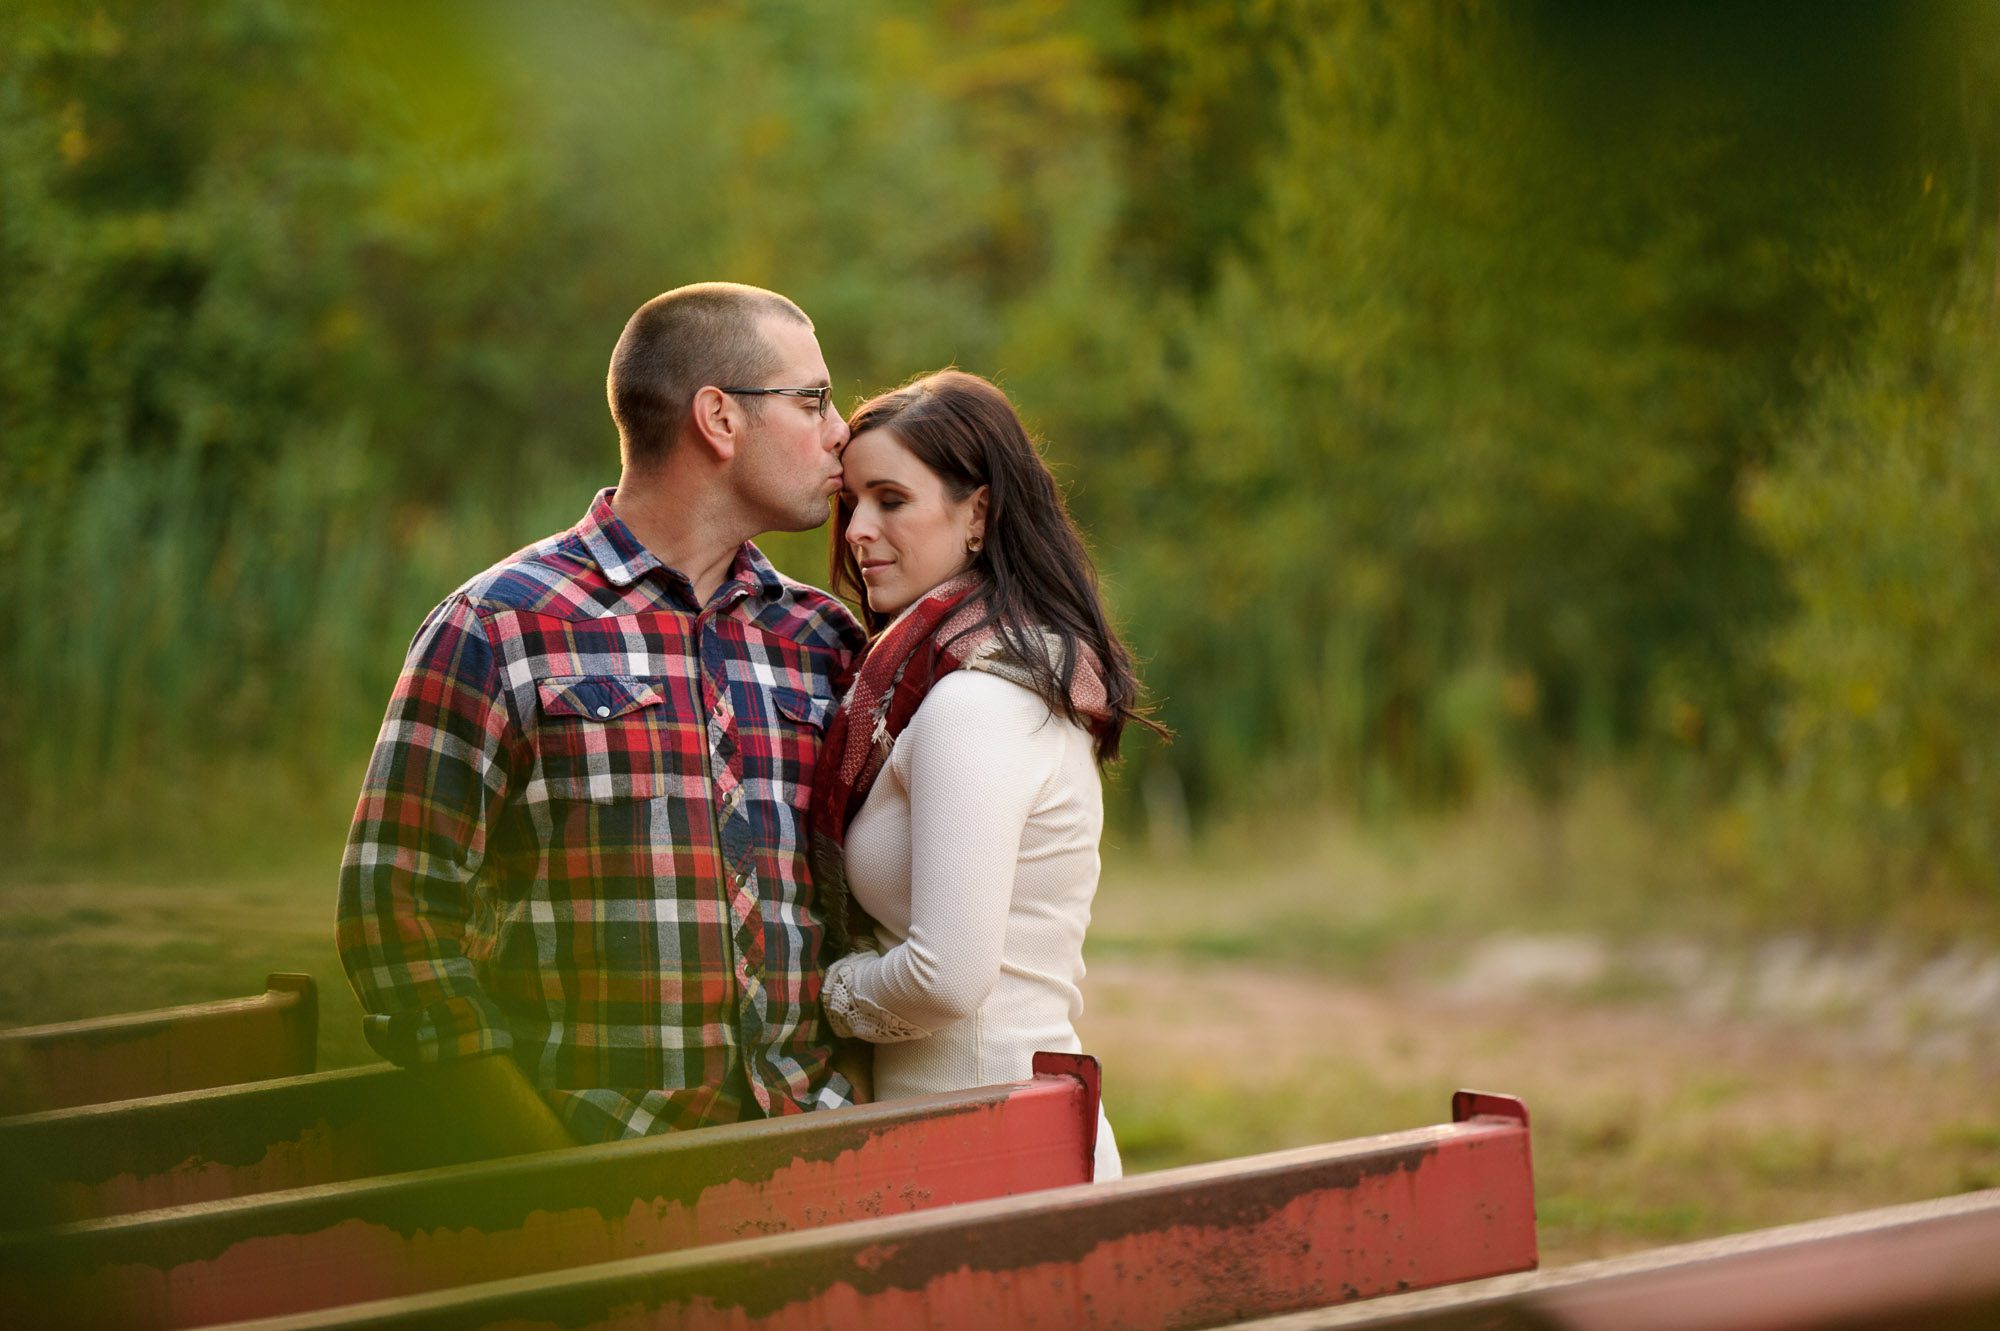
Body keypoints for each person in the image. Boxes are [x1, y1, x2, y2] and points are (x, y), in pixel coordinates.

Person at [336, 282, 866, 1148]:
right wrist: (534, 1155)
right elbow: (392, 913)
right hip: (592, 1168)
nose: (840, 428)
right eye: (812, 400)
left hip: (820, 1158)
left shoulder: (824, 639)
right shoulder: (502, 625)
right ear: (719, 418)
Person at [810, 370, 1157, 1180]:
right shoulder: (983, 677)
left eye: (890, 499)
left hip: (994, 1151)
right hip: (970, 1137)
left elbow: (946, 977)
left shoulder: (978, 701)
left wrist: (814, 991)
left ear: (978, 513)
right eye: (850, 501)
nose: (858, 529)